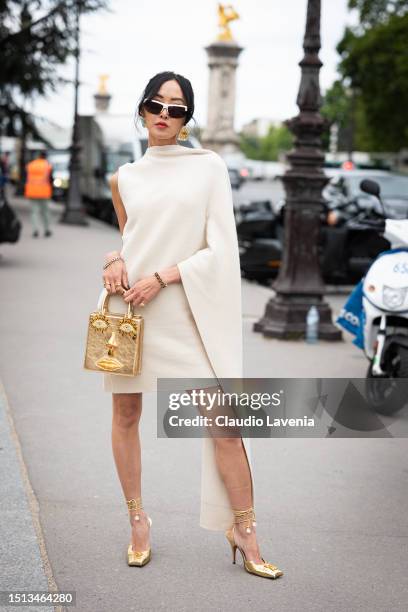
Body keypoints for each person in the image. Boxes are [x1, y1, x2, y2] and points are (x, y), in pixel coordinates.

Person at [99, 71, 283, 579]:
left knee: (223, 421)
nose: (164, 114)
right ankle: (138, 521)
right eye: (156, 104)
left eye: (176, 109)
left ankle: (243, 528)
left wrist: (164, 276)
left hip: (184, 307)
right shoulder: (125, 177)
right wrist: (115, 258)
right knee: (126, 416)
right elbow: (130, 234)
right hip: (128, 310)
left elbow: (221, 247)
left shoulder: (209, 167)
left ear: (186, 120)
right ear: (142, 110)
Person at [24, 151, 53, 238]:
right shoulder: (47, 166)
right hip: (44, 192)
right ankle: (47, 229)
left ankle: (35, 229)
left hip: (32, 191)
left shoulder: (31, 165)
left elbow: (26, 177)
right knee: (45, 212)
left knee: (34, 212)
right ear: (45, 157)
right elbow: (51, 179)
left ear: (38, 156)